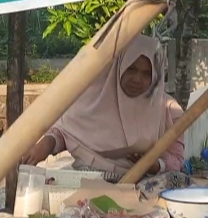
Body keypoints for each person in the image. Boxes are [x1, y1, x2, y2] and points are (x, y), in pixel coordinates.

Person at [20, 35, 185, 177]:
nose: (137, 79)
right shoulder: (92, 96)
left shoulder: (169, 110)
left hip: (141, 188)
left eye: (146, 74)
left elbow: (176, 161)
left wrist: (152, 164)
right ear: (119, 66)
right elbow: (64, 132)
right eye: (131, 69)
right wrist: (45, 145)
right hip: (89, 182)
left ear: (156, 76)